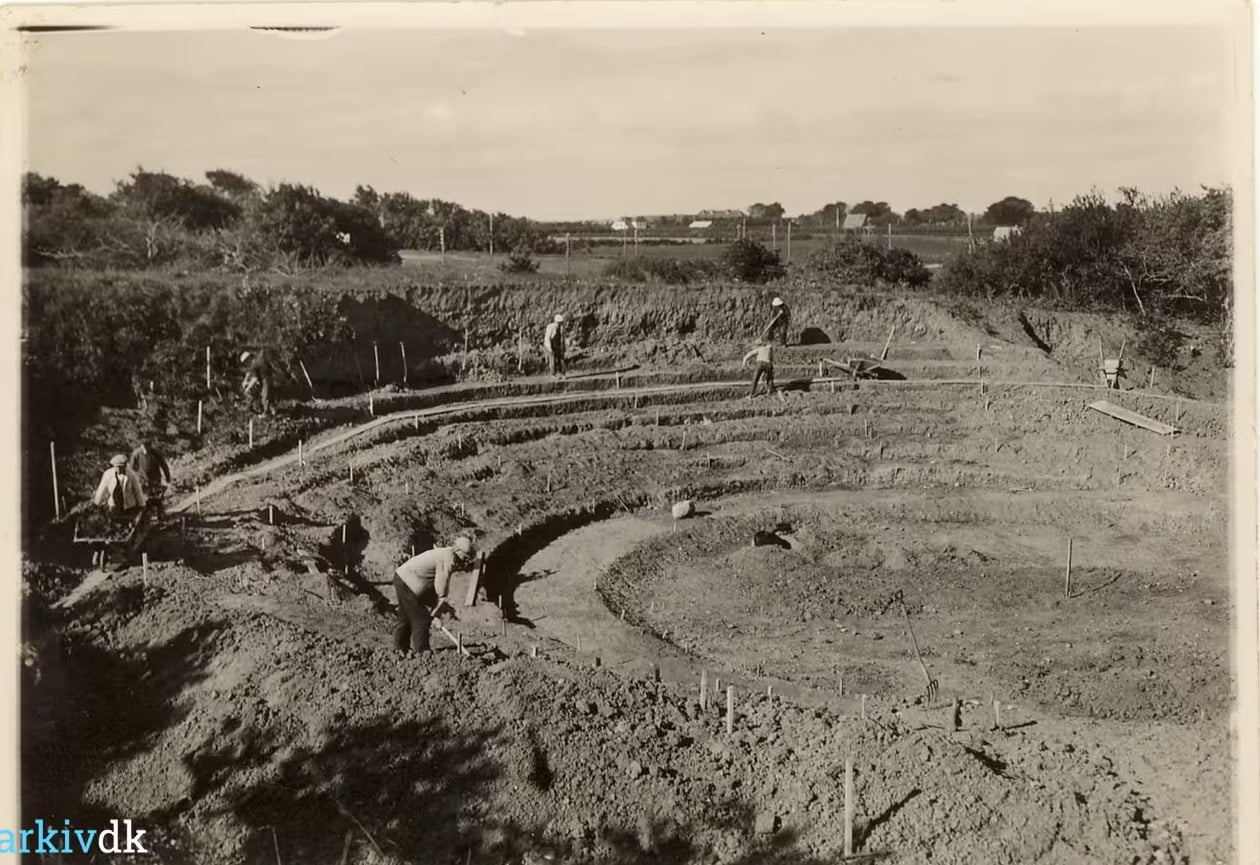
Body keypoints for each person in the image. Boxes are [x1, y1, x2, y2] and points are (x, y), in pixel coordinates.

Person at [393, 536, 477, 655]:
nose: (465, 561)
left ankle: (400, 648)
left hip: (403, 578)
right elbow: (441, 588)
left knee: (407, 615)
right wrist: (433, 613)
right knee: (421, 618)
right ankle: (422, 652)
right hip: (408, 582)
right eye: (465, 557)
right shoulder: (449, 558)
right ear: (458, 551)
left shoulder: (447, 553)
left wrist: (433, 612)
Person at [128, 438, 172, 517]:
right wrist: (133, 478)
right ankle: (145, 514)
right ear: (141, 446)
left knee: (157, 496)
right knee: (145, 497)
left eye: (147, 447)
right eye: (143, 447)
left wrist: (167, 476)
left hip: (155, 478)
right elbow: (131, 468)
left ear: (150, 446)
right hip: (143, 480)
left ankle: (160, 512)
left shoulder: (156, 453)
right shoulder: (136, 453)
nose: (145, 449)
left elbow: (164, 465)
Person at [240, 349, 275, 415]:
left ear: (247, 359)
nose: (246, 363)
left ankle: (266, 413)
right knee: (269, 394)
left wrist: (247, 388)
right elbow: (249, 372)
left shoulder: (254, 364)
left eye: (245, 362)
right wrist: (245, 380)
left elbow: (254, 379)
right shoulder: (258, 359)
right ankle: (273, 410)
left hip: (265, 379)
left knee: (265, 396)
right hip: (269, 376)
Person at [542, 314, 566, 378]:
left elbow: (562, 338)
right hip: (549, 345)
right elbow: (547, 339)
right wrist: (550, 349)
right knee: (552, 359)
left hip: (557, 345)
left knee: (561, 359)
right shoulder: (550, 327)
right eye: (559, 323)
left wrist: (563, 348)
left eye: (561, 323)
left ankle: (562, 373)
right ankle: (553, 374)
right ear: (555, 322)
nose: (560, 324)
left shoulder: (561, 328)